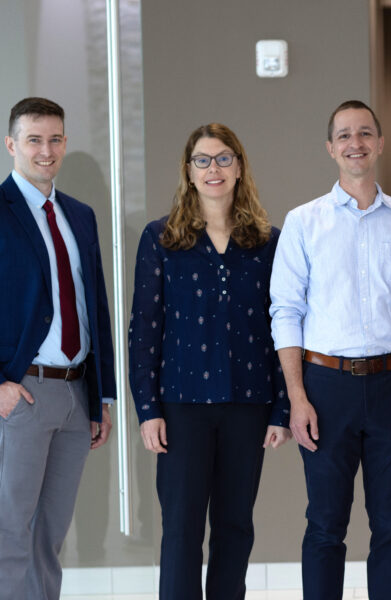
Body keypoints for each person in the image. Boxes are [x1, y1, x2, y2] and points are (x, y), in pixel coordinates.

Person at [269, 100, 391, 600]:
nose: (355, 143)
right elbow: (286, 313)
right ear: (330, 148)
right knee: (325, 524)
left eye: (365, 133)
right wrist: (297, 397)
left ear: (380, 143)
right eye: (344, 135)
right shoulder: (304, 222)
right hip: (325, 388)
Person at [128, 123, 291, 599]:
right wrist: (148, 409)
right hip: (181, 406)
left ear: (239, 167)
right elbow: (144, 330)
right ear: (188, 171)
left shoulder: (268, 242)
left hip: (248, 403)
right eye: (203, 160)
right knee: (180, 529)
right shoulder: (161, 238)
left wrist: (281, 409)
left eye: (223, 158)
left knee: (235, 526)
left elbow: (283, 328)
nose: (213, 168)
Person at [0, 97, 115, 600]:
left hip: (75, 395)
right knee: (8, 532)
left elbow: (96, 309)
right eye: (33, 139)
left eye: (54, 139)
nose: (45, 150)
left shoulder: (79, 216)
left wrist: (102, 395)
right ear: (11, 145)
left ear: (65, 143)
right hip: (21, 392)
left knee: (49, 534)